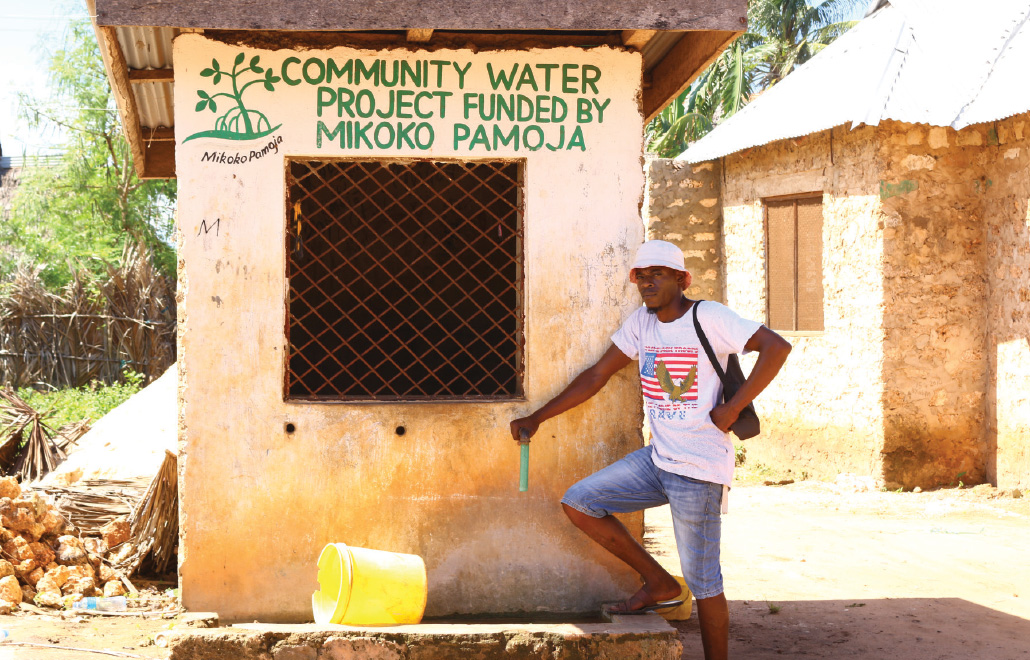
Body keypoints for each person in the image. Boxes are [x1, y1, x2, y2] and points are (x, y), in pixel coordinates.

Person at [510, 239, 791, 660]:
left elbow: (777, 346)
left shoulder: (708, 316)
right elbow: (597, 376)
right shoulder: (642, 324)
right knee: (580, 502)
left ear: (682, 279)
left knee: (704, 583)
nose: (647, 283)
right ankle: (659, 584)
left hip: (698, 469)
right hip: (658, 460)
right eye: (641, 276)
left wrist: (731, 409)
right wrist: (538, 417)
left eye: (657, 274)